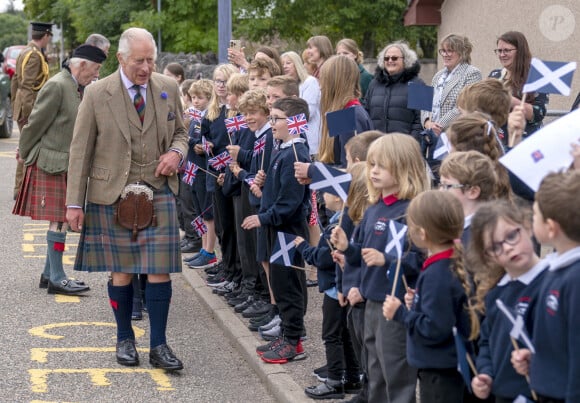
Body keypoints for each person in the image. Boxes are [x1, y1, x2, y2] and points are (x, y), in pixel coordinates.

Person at [65, 27, 187, 371]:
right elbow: (80, 151)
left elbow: (182, 131)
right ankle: (125, 339)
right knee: (121, 273)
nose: (146, 67)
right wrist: (75, 203)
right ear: (120, 58)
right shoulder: (97, 93)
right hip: (111, 195)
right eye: (139, 60)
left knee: (160, 272)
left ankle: (159, 345)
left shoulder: (168, 87)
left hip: (159, 190)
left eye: (151, 59)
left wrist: (176, 153)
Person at [331, 133, 429, 403]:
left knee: (396, 377)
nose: (373, 171)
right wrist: (346, 248)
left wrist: (388, 260)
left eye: (381, 166)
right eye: (372, 164)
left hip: (395, 305)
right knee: (373, 376)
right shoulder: (374, 208)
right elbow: (360, 255)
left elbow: (422, 261)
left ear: (404, 168)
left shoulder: (412, 211)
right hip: (371, 302)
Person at [12, 44, 106, 295]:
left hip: (65, 163)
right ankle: (57, 277)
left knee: (60, 219)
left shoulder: (75, 85)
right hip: (52, 162)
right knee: (60, 219)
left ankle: (48, 274)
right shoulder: (58, 85)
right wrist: (24, 151)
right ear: (82, 64)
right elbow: (35, 123)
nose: (96, 75)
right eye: (95, 69)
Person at [383, 190, 479, 403]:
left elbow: (434, 327)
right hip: (445, 365)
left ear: (423, 234)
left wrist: (400, 313)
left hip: (440, 369)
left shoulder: (438, 274)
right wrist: (417, 302)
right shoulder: (447, 264)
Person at [241, 97, 311, 364]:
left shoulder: (296, 154)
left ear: (294, 122)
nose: (271, 124)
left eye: (276, 119)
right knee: (279, 284)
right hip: (277, 229)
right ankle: (287, 334)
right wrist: (262, 189)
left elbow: (290, 203)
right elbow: (277, 192)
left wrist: (263, 217)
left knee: (288, 285)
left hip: (287, 232)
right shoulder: (282, 150)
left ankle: (294, 342)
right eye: (271, 118)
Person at [467, 200, 547, 402]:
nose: (509, 248)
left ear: (527, 227)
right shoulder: (496, 294)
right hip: (504, 395)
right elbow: (487, 342)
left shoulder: (551, 282)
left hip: (542, 393)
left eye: (512, 236)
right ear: (488, 256)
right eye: (496, 247)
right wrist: (485, 374)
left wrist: (534, 361)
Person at [511, 171, 580, 403]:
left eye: (535, 215)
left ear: (551, 228)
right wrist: (538, 359)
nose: (531, 219)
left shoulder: (574, 279)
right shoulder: (556, 270)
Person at [300, 166, 362, 400]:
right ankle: (354, 378)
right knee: (344, 334)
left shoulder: (340, 224)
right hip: (340, 287)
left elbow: (326, 258)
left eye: (324, 193)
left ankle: (335, 380)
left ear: (337, 195)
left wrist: (302, 247)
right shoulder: (344, 219)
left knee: (331, 335)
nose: (322, 198)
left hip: (336, 290)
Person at [11, 22, 53, 199]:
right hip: (29, 106)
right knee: (27, 147)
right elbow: (27, 85)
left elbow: (14, 81)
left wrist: (16, 103)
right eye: (49, 37)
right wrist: (29, 114)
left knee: (26, 146)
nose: (49, 40)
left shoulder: (25, 51)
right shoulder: (34, 55)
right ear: (45, 36)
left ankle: (20, 188)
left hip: (23, 104)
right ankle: (20, 188)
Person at [489, 31, 547, 141]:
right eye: (499, 51)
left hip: (525, 141)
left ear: (520, 51)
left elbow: (538, 114)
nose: (502, 54)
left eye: (507, 50)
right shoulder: (495, 75)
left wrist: (510, 100)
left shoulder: (535, 77)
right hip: (496, 142)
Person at [317, 55, 372, 168]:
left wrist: (312, 171)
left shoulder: (349, 115)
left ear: (334, 82)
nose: (320, 86)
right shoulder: (342, 112)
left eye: (323, 80)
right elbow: (335, 159)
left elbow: (350, 169)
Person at [422, 34, 482, 135]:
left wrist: (438, 126)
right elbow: (426, 103)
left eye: (449, 50)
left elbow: (464, 106)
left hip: (455, 133)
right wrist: (427, 122)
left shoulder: (472, 73)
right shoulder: (438, 75)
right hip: (432, 134)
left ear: (461, 53)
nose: (445, 54)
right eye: (443, 51)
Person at [365, 41, 423, 142]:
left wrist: (411, 145)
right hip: (377, 146)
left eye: (394, 58)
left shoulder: (419, 84)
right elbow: (365, 112)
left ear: (405, 60)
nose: (390, 60)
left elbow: (422, 121)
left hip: (404, 149)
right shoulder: (373, 84)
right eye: (386, 58)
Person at [439, 151, 500, 245]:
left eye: (446, 186)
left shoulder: (483, 235)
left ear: (473, 192)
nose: (440, 191)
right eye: (441, 185)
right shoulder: (453, 226)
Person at [280, 51, 321, 157]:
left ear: (297, 63)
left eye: (288, 63)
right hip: (291, 141)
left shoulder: (309, 82)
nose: (285, 66)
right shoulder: (283, 87)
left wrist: (285, 121)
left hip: (309, 139)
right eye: (283, 64)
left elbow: (308, 113)